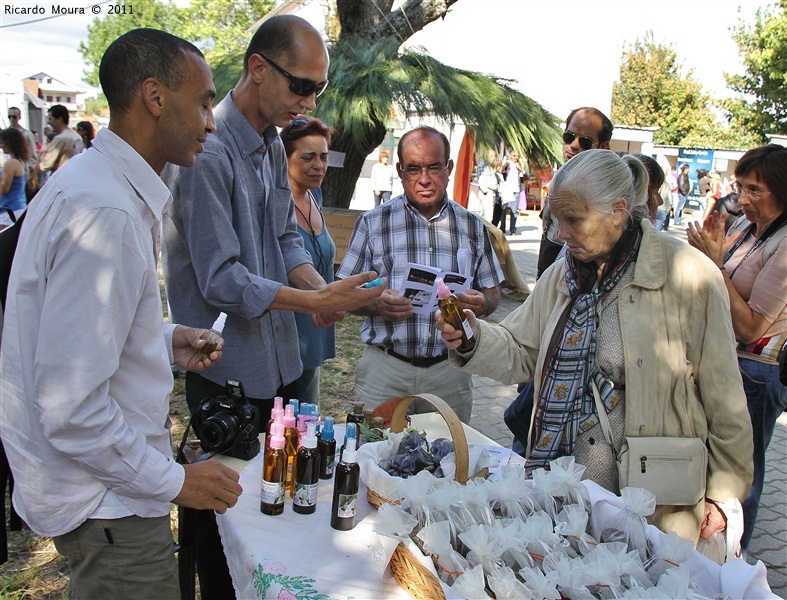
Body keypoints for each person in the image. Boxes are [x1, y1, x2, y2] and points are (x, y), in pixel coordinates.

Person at [0, 28, 243, 599]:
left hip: (112, 495)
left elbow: (75, 342)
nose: (211, 121)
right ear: (155, 97)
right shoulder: (103, 209)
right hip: (110, 504)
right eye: (205, 101)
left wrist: (161, 341)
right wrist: (176, 480)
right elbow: (71, 406)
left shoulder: (102, 189)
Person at [161, 15, 383, 597]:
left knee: (276, 509)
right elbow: (222, 280)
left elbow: (285, 236)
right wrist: (312, 296)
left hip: (280, 366)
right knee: (224, 519)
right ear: (257, 69)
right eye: (301, 86)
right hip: (229, 373)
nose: (309, 101)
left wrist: (319, 293)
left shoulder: (266, 145)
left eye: (319, 89)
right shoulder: (209, 154)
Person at [438, 149, 753, 544]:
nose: (561, 234)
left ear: (618, 209)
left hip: (651, 499)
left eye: (573, 220)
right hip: (561, 487)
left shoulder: (689, 276)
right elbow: (522, 349)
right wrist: (472, 336)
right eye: (556, 221)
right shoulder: (562, 274)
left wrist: (725, 496)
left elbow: (725, 396)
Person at [337, 126, 503, 424]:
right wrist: (377, 304)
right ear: (400, 171)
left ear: (448, 168)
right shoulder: (374, 223)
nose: (424, 179)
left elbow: (492, 293)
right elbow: (343, 295)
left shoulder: (472, 227)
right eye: (413, 168)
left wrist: (481, 303)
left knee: (449, 461)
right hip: (386, 370)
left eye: (433, 167)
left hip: (449, 370)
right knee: (373, 456)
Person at [687, 144, 787, 553]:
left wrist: (712, 265)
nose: (742, 199)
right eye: (741, 187)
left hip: (757, 373)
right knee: (717, 465)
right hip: (726, 363)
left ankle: (734, 559)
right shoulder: (748, 229)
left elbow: (750, 326)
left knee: (743, 474)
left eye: (755, 191)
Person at [280, 116, 336, 407]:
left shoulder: (314, 195)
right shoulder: (276, 204)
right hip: (288, 336)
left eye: (324, 156)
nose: (319, 165)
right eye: (308, 157)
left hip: (316, 330)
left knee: (308, 418)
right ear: (285, 158)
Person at [537, 107, 613, 278]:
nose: (574, 145)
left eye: (585, 141)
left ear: (603, 146)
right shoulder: (561, 177)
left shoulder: (605, 190)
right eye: (569, 137)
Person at [37, 104, 82, 174]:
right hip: (74, 175)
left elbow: (45, 165)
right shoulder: (77, 137)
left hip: (61, 178)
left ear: (59, 119)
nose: (49, 122)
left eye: (50, 119)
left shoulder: (60, 139)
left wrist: (42, 153)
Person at [0, 127, 29, 229]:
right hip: (18, 209)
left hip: (9, 211)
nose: (1, 146)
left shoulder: (11, 163)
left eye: (2, 142)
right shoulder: (22, 162)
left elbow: (4, 188)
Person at [6, 107, 37, 183]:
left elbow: (33, 155)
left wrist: (29, 171)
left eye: (14, 117)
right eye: (9, 117)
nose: (12, 119)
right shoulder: (5, 134)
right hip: (7, 170)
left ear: (19, 117)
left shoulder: (27, 134)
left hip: (22, 172)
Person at [500, 150, 525, 235]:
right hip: (507, 189)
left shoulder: (518, 164)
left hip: (516, 189)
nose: (515, 157)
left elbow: (524, 174)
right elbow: (500, 170)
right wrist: (505, 164)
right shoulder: (507, 163)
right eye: (514, 155)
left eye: (517, 156)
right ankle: (502, 228)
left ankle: (512, 229)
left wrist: (520, 167)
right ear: (510, 155)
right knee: (503, 210)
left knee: (514, 211)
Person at [476, 148, 501, 224]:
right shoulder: (482, 165)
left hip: (492, 192)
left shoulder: (490, 166)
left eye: (494, 156)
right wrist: (486, 191)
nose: (493, 158)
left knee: (489, 215)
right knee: (487, 216)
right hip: (486, 194)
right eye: (491, 156)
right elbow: (480, 179)